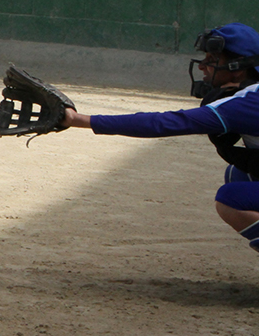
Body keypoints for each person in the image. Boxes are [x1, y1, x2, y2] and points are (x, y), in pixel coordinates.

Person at [64, 23, 259, 255]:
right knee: (240, 174)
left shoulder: (247, 103)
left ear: (238, 68)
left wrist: (80, 120)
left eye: (212, 59)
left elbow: (165, 123)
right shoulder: (247, 94)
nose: (203, 67)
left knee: (230, 199)